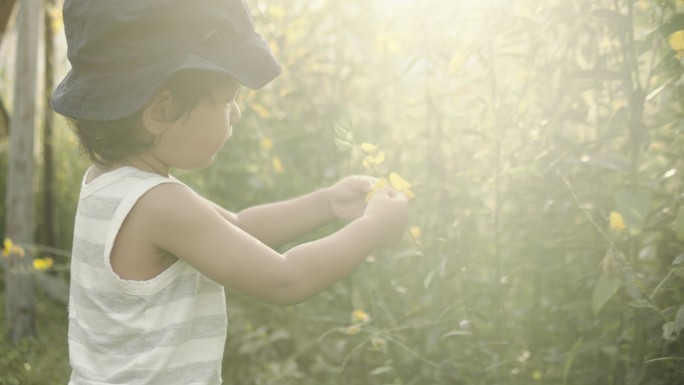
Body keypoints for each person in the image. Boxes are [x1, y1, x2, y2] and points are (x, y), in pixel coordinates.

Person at [50, 1, 409, 384]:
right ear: (160, 112)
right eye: (226, 99)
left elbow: (239, 227)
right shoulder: (160, 204)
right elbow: (287, 279)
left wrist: (326, 203)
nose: (236, 113)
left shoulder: (108, 182)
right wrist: (373, 227)